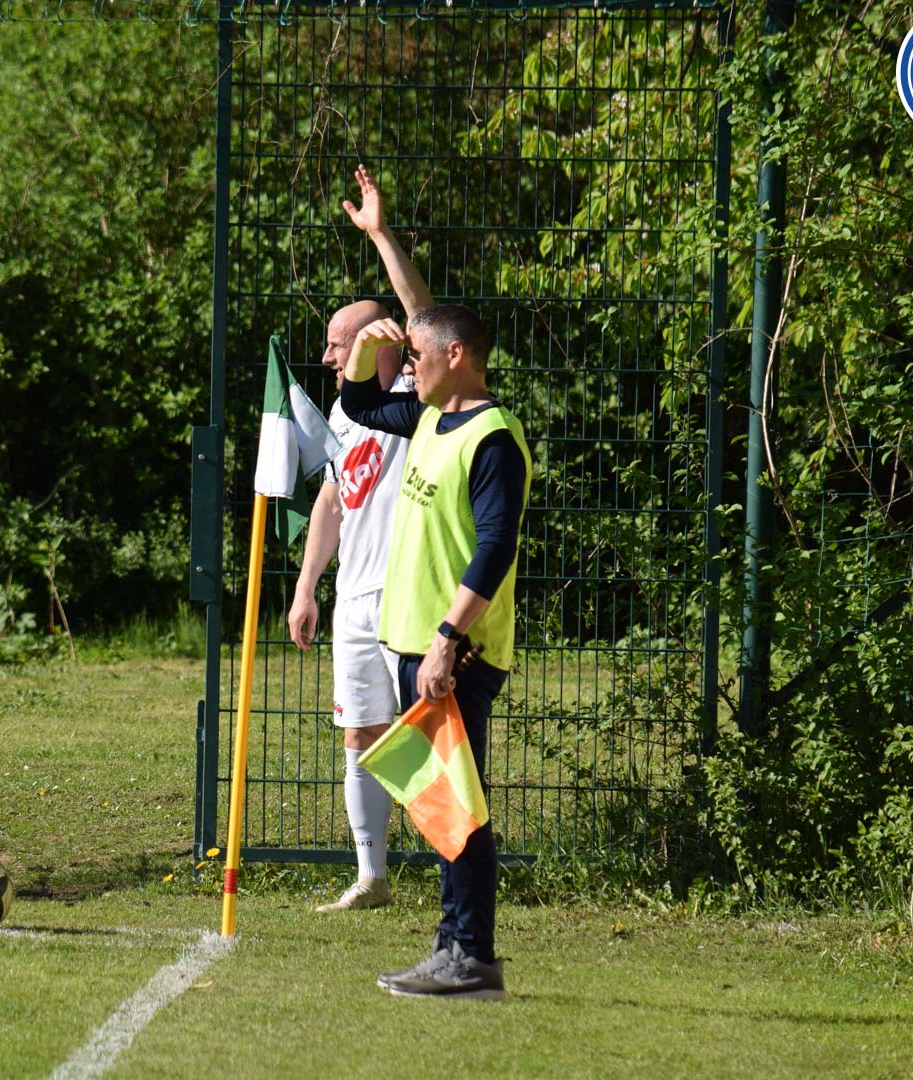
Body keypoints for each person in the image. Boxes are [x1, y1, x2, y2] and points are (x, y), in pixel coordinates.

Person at [340, 259, 531, 998]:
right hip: (418, 645)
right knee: (441, 803)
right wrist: (366, 349)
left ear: (456, 355)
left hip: (455, 650)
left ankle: (472, 958)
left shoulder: (491, 437)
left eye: (417, 355)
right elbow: (359, 403)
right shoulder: (429, 417)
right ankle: (452, 945)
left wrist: (449, 638)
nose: (408, 367)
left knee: (459, 806)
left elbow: (495, 547)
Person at [287, 165, 434, 913]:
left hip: (413, 598)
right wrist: (307, 585)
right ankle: (371, 876)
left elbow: (423, 313)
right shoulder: (348, 412)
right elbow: (332, 499)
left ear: (377, 343)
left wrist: (379, 236)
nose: (326, 356)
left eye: (336, 343)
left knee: (429, 734)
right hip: (354, 598)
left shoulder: (418, 392)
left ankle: (461, 864)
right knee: (361, 737)